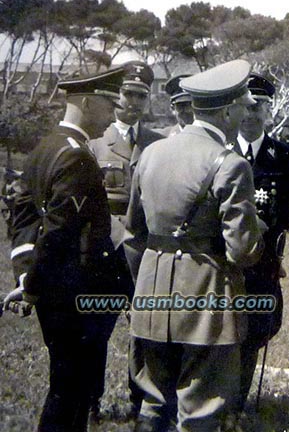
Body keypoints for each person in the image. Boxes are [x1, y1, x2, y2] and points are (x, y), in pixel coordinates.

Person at [125, 59, 265, 432]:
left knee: (153, 403)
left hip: (151, 295)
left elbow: (133, 233)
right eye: (242, 106)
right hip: (206, 299)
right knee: (201, 409)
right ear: (226, 111)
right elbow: (243, 251)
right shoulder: (230, 164)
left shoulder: (151, 152)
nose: (245, 112)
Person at [4, 67, 128, 432]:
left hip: (56, 295)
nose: (112, 115)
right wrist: (33, 285)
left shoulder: (45, 147)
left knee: (66, 389)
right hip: (75, 295)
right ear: (87, 103)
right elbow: (58, 234)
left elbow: (23, 219)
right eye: (108, 105)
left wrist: (26, 273)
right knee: (69, 395)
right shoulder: (76, 157)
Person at [89, 60, 164, 417]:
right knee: (97, 328)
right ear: (117, 96)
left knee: (143, 329)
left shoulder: (157, 145)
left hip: (143, 253)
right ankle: (91, 399)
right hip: (106, 252)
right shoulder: (95, 145)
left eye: (141, 96)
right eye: (128, 94)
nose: (134, 103)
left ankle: (140, 399)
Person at [233, 73, 289, 410]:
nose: (252, 112)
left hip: (261, 266)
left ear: (269, 110)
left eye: (259, 105)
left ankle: (237, 405)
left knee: (253, 334)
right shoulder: (221, 149)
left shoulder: (284, 157)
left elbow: (286, 213)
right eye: (246, 105)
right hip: (223, 264)